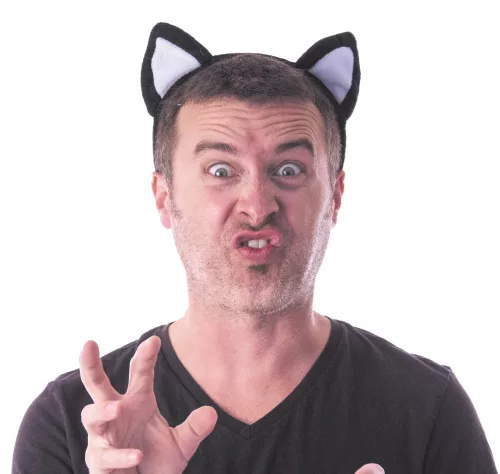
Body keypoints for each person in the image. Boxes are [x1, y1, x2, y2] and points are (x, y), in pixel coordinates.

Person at [12, 22, 497, 474]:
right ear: (164, 196)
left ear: (335, 196)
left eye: (289, 170)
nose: (258, 206)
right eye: (220, 171)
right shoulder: (76, 426)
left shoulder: (429, 410)